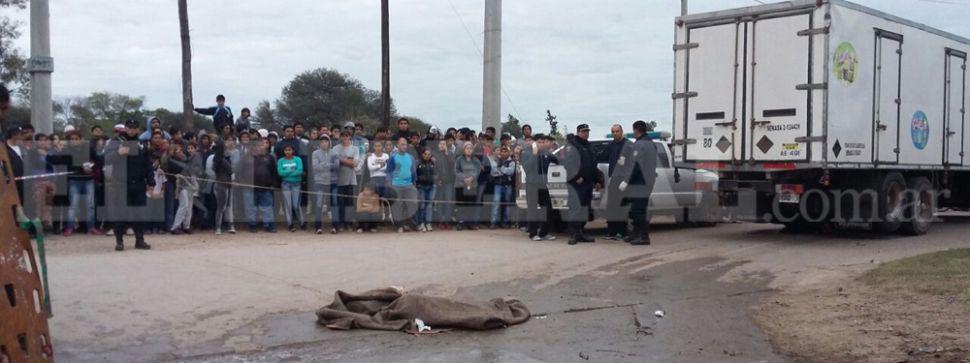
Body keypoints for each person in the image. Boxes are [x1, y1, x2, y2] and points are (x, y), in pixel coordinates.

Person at [105, 119, 155, 251]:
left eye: (134, 128)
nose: (132, 130)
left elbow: (148, 165)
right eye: (129, 127)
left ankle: (140, 240)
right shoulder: (116, 142)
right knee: (120, 213)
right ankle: (119, 241)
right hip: (121, 184)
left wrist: (151, 182)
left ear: (138, 129)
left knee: (139, 213)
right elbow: (105, 159)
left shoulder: (142, 144)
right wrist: (117, 153)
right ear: (125, 128)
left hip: (138, 184)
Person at [617, 120, 658, 246]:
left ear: (636, 130)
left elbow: (636, 165)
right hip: (647, 180)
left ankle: (643, 236)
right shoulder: (650, 143)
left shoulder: (640, 144)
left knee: (639, 210)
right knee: (635, 209)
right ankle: (636, 233)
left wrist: (626, 181)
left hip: (640, 181)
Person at [57, 130, 103, 236]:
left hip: (88, 180)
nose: (74, 141)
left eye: (76, 139)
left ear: (81, 139)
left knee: (90, 205)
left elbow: (99, 161)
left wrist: (92, 167)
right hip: (74, 180)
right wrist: (81, 168)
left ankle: (91, 227)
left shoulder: (88, 149)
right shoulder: (67, 150)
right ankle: (70, 227)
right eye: (72, 139)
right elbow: (64, 163)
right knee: (73, 205)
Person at [562, 124, 601, 245]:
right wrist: (576, 176)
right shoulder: (573, 145)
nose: (586, 133)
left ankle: (581, 232)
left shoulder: (588, 145)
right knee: (575, 208)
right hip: (577, 183)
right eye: (583, 131)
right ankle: (573, 234)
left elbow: (593, 165)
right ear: (578, 132)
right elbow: (568, 164)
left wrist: (597, 180)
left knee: (585, 208)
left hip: (588, 183)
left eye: (587, 131)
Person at [598, 124, 631, 240]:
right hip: (613, 179)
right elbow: (601, 156)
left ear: (622, 131)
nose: (615, 133)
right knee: (611, 206)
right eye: (613, 131)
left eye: (617, 131)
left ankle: (622, 232)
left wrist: (627, 181)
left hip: (623, 179)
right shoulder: (611, 145)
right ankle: (611, 232)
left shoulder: (628, 145)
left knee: (621, 207)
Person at [522, 134, 557, 241]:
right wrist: (534, 154)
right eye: (539, 142)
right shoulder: (526, 153)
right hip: (532, 185)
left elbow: (557, 159)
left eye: (543, 142)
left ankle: (544, 232)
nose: (541, 144)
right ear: (534, 143)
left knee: (548, 208)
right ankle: (533, 233)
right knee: (532, 209)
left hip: (543, 185)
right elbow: (527, 167)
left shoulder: (546, 153)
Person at [240, 138, 277, 233]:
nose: (259, 147)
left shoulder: (269, 157)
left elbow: (274, 172)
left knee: (267, 207)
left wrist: (273, 184)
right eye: (256, 145)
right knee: (250, 208)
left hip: (266, 187)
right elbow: (239, 172)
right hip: (249, 188)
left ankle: (269, 225)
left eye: (261, 145)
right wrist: (243, 183)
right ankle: (252, 225)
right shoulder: (245, 158)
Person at [386, 137, 418, 233]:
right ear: (397, 145)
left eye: (405, 144)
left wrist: (414, 184)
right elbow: (389, 172)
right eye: (402, 144)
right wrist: (389, 185)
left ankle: (412, 224)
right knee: (397, 205)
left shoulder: (410, 157)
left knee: (412, 203)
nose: (404, 146)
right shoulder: (393, 157)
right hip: (396, 185)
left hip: (409, 185)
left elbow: (413, 172)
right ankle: (399, 225)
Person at [206, 138, 236, 235]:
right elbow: (231, 171)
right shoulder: (221, 160)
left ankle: (220, 227)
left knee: (222, 206)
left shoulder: (218, 159)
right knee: (224, 206)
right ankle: (221, 227)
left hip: (223, 184)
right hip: (223, 185)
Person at [332, 131, 359, 231]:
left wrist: (341, 160)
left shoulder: (355, 148)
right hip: (338, 179)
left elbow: (355, 163)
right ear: (340, 137)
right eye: (343, 136)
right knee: (340, 202)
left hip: (351, 179)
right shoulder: (335, 148)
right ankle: (341, 223)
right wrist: (348, 160)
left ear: (350, 137)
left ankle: (349, 222)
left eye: (347, 136)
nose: (345, 138)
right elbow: (335, 163)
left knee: (350, 202)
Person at [167, 143, 197, 234]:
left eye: (180, 150)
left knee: (189, 206)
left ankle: (186, 226)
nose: (180, 152)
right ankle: (175, 227)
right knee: (184, 205)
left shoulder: (185, 159)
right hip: (180, 186)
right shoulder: (172, 161)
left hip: (189, 185)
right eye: (177, 150)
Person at [311, 135, 337, 234]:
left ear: (329, 142)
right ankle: (318, 227)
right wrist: (328, 165)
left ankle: (335, 227)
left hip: (332, 182)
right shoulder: (315, 153)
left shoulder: (334, 152)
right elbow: (315, 167)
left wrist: (323, 164)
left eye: (326, 141)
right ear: (319, 143)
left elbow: (337, 165)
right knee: (319, 204)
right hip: (319, 182)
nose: (324, 143)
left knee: (334, 204)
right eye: (322, 141)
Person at [454, 142, 482, 231]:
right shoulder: (459, 159)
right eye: (467, 148)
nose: (469, 150)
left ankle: (470, 222)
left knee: (471, 204)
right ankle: (460, 222)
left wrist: (472, 178)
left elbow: (477, 170)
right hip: (460, 184)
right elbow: (456, 170)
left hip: (472, 184)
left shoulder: (476, 160)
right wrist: (464, 178)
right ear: (463, 150)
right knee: (461, 204)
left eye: (470, 148)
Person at [277, 144, 304, 232]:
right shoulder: (281, 160)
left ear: (293, 151)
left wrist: (287, 172)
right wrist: (292, 169)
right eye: (286, 150)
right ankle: (290, 224)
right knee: (287, 205)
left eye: (289, 150)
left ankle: (302, 222)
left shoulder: (298, 159)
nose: (288, 152)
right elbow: (280, 173)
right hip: (285, 184)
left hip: (296, 184)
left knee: (296, 205)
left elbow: (299, 171)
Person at [490, 145, 516, 229]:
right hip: (498, 185)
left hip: (508, 186)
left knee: (507, 205)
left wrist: (501, 169)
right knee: (496, 204)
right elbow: (493, 172)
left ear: (509, 152)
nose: (504, 153)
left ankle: (505, 222)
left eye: (506, 151)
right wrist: (504, 170)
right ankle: (493, 222)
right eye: (502, 151)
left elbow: (511, 172)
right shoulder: (496, 160)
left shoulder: (512, 162)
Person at [433, 139, 456, 230]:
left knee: (448, 202)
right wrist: (437, 179)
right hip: (439, 182)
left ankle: (447, 220)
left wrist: (446, 153)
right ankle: (440, 221)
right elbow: (434, 169)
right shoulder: (435, 154)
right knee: (440, 202)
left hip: (449, 182)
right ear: (438, 145)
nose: (442, 145)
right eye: (441, 144)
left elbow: (452, 165)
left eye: (444, 144)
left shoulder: (450, 154)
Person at [415, 148, 436, 232]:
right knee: (422, 205)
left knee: (429, 205)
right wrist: (418, 182)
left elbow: (436, 173)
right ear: (422, 154)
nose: (427, 155)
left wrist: (435, 181)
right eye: (425, 154)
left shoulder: (432, 163)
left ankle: (428, 223)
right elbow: (415, 174)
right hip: (421, 187)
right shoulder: (418, 163)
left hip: (431, 187)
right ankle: (421, 223)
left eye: (429, 154)